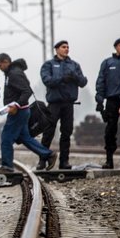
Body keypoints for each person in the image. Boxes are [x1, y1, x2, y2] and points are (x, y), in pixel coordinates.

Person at [0, 53, 57, 172]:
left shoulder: (14, 74)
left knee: (6, 137)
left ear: (5, 62)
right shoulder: (11, 73)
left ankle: (7, 166)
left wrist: (16, 105)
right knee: (25, 138)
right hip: (20, 111)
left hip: (18, 112)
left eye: (0, 65)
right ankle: (48, 154)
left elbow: (26, 91)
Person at [39, 40, 88, 169]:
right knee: (48, 132)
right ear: (57, 49)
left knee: (66, 133)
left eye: (67, 47)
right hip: (54, 103)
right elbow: (47, 80)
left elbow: (83, 82)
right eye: (63, 47)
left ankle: (64, 161)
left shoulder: (74, 65)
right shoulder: (48, 65)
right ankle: (42, 160)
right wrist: (62, 79)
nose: (66, 49)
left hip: (68, 104)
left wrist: (75, 77)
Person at [94, 37, 120, 169]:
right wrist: (100, 101)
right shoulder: (107, 63)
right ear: (116, 47)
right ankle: (109, 159)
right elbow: (101, 82)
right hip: (112, 100)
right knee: (110, 130)